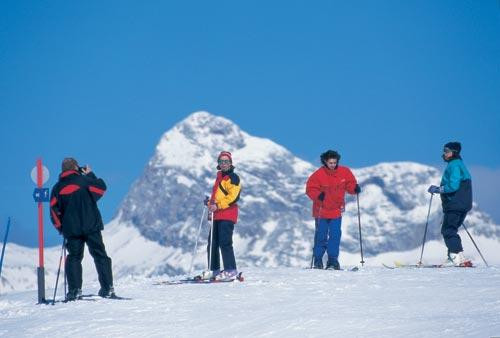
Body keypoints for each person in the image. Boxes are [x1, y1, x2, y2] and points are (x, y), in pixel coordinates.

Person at [49, 158, 115, 300]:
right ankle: (107, 288)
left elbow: (53, 212)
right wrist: (90, 174)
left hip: (71, 230)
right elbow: (101, 188)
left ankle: (74, 291)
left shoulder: (57, 188)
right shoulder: (84, 181)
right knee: (100, 255)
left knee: (74, 258)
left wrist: (61, 228)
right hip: (91, 226)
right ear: (75, 167)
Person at [306, 150, 360, 270]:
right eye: (330, 162)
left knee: (335, 236)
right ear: (325, 161)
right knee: (321, 237)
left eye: (334, 162)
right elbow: (310, 189)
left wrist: (354, 188)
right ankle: (318, 261)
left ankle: (332, 261)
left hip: (336, 210)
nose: (333, 165)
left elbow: (350, 184)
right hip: (321, 211)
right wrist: (318, 195)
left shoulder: (344, 172)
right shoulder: (318, 175)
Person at [428, 142, 472, 267]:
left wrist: (438, 189)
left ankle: (456, 257)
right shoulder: (459, 165)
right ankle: (453, 257)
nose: (444, 154)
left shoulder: (454, 165)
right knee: (451, 229)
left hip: (455, 204)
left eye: (447, 151)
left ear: (454, 153)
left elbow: (453, 186)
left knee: (448, 230)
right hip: (461, 204)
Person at [201, 151, 241, 280]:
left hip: (228, 214)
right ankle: (214, 269)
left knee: (225, 242)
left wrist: (217, 206)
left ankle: (231, 270)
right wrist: (210, 204)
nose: (223, 164)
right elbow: (217, 196)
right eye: (221, 161)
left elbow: (233, 197)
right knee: (212, 243)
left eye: (226, 161)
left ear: (230, 163)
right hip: (217, 215)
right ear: (218, 164)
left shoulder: (233, 178)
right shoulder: (219, 177)